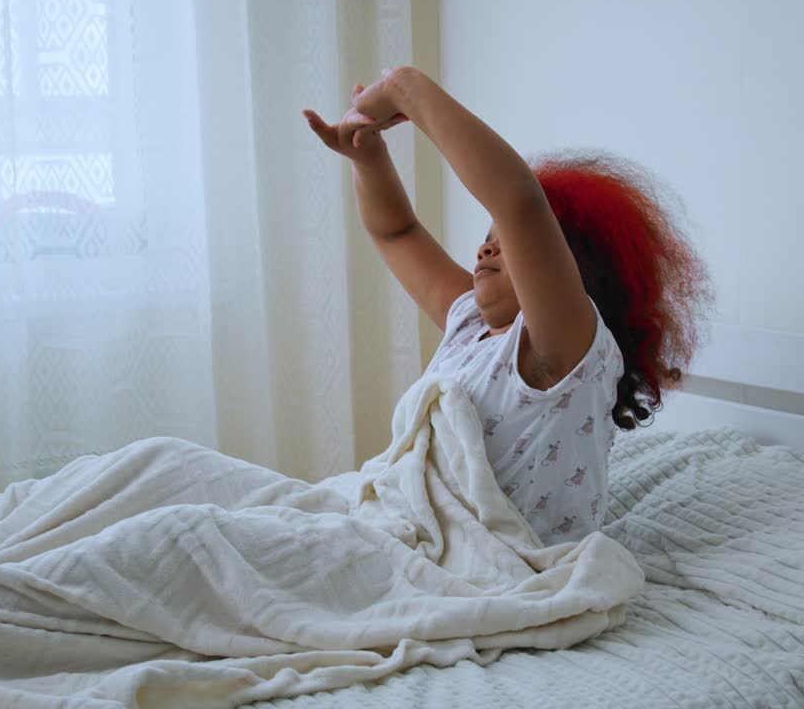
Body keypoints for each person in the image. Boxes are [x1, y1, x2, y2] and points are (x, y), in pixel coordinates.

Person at [304, 67, 710, 544]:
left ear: (573, 276)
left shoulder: (564, 352)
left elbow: (519, 203)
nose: (485, 250)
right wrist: (368, 160)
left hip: (483, 557)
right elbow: (397, 233)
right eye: (486, 239)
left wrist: (405, 89)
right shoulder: (470, 323)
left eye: (507, 243)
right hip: (404, 524)